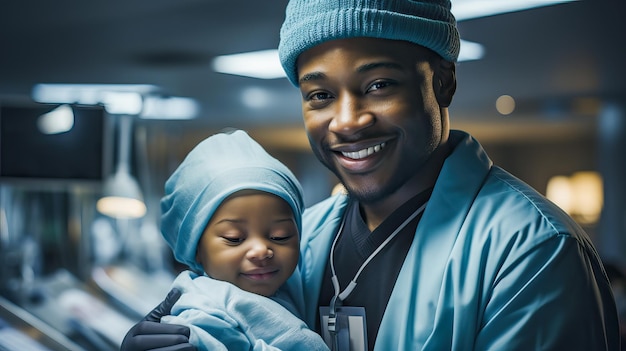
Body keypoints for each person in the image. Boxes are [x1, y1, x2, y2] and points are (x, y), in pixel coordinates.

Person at [121, 1, 621, 350]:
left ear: (442, 82)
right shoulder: (304, 237)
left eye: (379, 85)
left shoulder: (531, 251)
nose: (346, 121)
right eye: (320, 96)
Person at [123, 129, 328, 351]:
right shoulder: (205, 315)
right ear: (196, 249)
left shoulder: (292, 291)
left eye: (280, 236)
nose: (261, 250)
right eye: (235, 238)